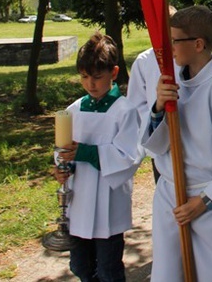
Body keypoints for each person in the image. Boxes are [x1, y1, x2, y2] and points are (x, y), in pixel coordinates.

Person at [144, 5, 212, 281]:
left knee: (208, 275)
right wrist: (159, 107)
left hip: (206, 202)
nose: (169, 48)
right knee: (168, 273)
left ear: (197, 44)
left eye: (174, 41)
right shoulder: (172, 84)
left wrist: (205, 202)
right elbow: (156, 144)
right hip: (170, 194)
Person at [53, 32, 143, 282]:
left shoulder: (124, 111)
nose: (90, 84)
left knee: (108, 270)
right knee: (80, 266)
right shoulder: (73, 110)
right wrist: (61, 167)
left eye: (97, 77)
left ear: (114, 73)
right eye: (84, 77)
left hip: (108, 204)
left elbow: (129, 157)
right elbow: (62, 149)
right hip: (79, 201)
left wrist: (87, 152)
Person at [127, 6, 177, 183]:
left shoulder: (186, 57)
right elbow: (136, 104)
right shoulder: (143, 61)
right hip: (159, 140)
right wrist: (155, 121)